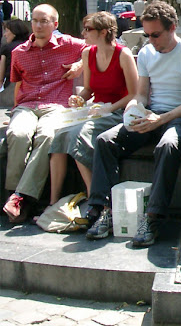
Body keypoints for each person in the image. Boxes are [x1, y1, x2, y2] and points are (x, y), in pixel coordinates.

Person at [85, 1, 181, 247]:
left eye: (156, 35)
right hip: (149, 114)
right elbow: (141, 93)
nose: (151, 40)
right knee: (105, 140)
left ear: (173, 28)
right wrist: (134, 108)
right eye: (146, 35)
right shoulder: (147, 54)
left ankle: (152, 217)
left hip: (176, 116)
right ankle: (103, 209)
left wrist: (159, 119)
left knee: (168, 145)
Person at [2, 4, 84, 224]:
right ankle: (16, 193)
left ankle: (20, 197)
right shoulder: (19, 53)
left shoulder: (70, 45)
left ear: (54, 24)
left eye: (44, 21)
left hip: (56, 104)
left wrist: (80, 63)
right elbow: (18, 84)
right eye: (35, 21)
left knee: (48, 135)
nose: (38, 25)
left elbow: (98, 47)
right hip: (26, 106)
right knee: (17, 134)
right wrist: (15, 109)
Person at [48, 12, 138, 204]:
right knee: (59, 134)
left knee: (78, 134)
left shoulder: (123, 55)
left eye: (88, 29)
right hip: (96, 110)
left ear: (104, 32)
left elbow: (134, 94)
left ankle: (94, 198)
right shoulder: (88, 53)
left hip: (118, 111)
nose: (83, 33)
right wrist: (78, 98)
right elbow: (88, 89)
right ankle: (53, 201)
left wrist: (109, 108)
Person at [0, 19, 30, 88]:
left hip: (10, 85)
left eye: (7, 31)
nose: (5, 34)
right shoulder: (31, 45)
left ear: (14, 33)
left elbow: (1, 72)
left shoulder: (6, 48)